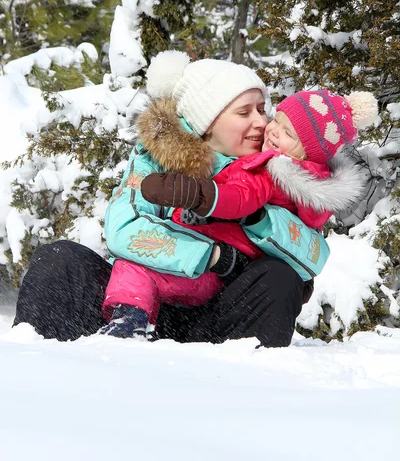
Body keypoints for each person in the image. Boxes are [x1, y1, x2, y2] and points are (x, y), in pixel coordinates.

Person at [13, 52, 324, 347]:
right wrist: (215, 257)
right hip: (135, 302)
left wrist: (255, 216)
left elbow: (312, 255)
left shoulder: (277, 167)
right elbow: (124, 229)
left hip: (219, 318)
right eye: (244, 112)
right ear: (207, 122)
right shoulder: (154, 161)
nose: (261, 122)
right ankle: (42, 372)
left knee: (280, 278)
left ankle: (245, 388)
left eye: (262, 109)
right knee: (58, 260)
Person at [141, 89, 377, 252]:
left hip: (212, 243)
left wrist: (199, 196)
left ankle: (131, 317)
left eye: (288, 134)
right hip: (225, 250)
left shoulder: (276, 171)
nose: (271, 130)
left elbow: (241, 197)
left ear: (307, 155)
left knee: (138, 273)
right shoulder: (308, 180)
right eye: (277, 121)